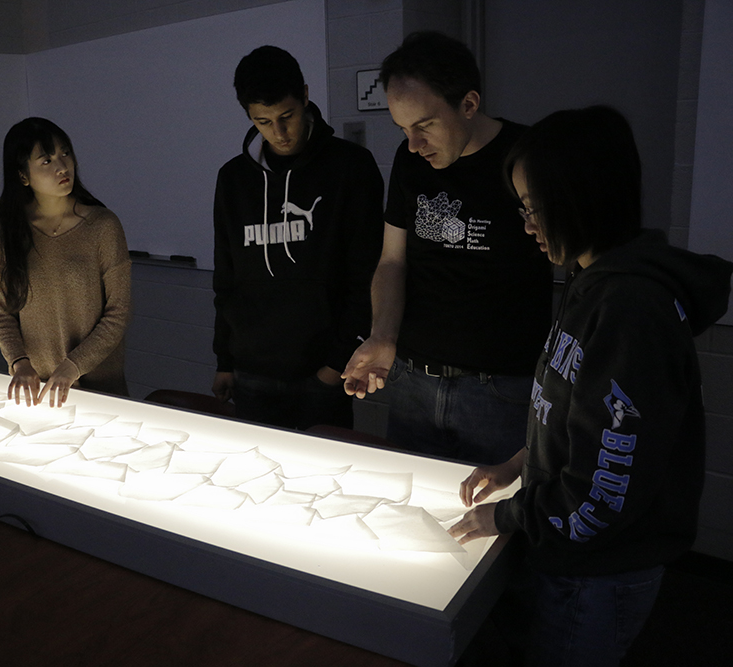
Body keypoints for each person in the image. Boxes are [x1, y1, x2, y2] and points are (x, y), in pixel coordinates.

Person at [449, 106, 732, 667]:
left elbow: (606, 486)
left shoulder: (630, 308)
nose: (526, 225)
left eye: (533, 208)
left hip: (599, 571)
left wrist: (506, 517)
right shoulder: (590, 278)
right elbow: (579, 414)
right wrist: (520, 462)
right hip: (575, 554)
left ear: (581, 198)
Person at [341, 32, 552, 465]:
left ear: (469, 104)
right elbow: (392, 260)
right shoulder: (409, 161)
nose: (413, 145)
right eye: (403, 129)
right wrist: (382, 336)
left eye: (425, 125)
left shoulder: (527, 157)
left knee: (495, 518)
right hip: (413, 379)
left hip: (500, 387)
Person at [212, 46, 383, 430]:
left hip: (322, 371)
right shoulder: (234, 179)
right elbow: (226, 276)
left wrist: (335, 364)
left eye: (286, 116)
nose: (279, 132)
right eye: (263, 121)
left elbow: (366, 274)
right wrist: (225, 359)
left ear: (306, 96)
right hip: (251, 371)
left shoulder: (350, 168)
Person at [0, 117, 131, 407]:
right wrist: (19, 362)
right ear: (23, 175)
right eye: (46, 160)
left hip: (99, 388)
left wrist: (73, 366)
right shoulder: (8, 231)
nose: (62, 166)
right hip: (35, 391)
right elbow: (2, 310)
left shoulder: (103, 225)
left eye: (65, 153)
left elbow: (118, 313)